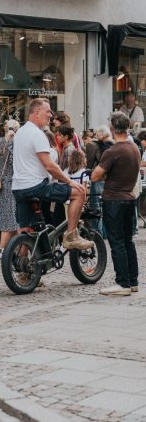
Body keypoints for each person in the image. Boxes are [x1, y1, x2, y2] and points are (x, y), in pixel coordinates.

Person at [11, 97, 90, 250]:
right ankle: (71, 236)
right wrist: (70, 182)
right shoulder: (37, 134)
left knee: (27, 229)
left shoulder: (20, 132)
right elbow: (49, 165)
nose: (50, 115)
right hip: (36, 186)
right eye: (48, 111)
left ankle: (23, 268)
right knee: (79, 193)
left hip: (18, 188)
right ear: (37, 112)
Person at [92, 112, 141, 296]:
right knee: (128, 241)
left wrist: (105, 174)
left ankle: (122, 283)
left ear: (112, 129)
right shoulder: (134, 148)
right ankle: (132, 280)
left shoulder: (113, 151)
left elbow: (95, 175)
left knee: (117, 242)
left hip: (113, 199)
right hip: (130, 197)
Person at [0, 120, 19, 258]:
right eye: (10, 128)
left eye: (14, 128)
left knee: (13, 215)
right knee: (7, 215)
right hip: (3, 182)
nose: (12, 130)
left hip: (14, 182)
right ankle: (2, 249)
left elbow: (17, 159)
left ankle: (14, 247)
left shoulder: (18, 142)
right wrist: (6, 143)